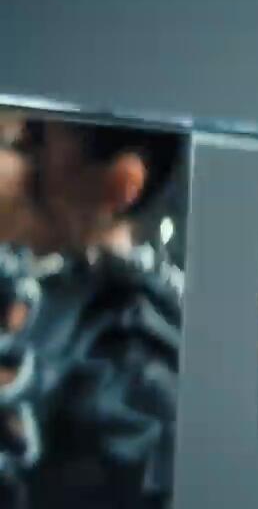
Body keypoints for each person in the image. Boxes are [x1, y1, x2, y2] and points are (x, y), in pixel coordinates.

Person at [0, 113, 183, 509]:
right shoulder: (47, 286)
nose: (13, 158)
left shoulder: (133, 354)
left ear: (120, 185)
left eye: (37, 140)